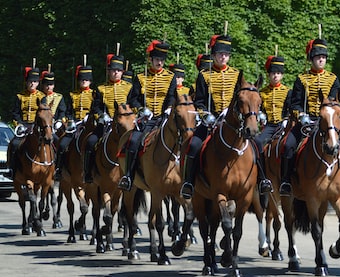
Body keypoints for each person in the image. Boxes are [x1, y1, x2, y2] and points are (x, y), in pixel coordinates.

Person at [180, 34, 273, 200]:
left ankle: (263, 180)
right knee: (193, 145)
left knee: (258, 143)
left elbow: (243, 98)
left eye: (226, 54)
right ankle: (189, 182)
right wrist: (205, 115)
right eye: (220, 54)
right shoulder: (204, 75)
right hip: (211, 119)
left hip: (234, 120)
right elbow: (200, 101)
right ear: (214, 55)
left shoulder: (237, 75)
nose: (223, 57)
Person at [289, 38, 340, 195]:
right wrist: (301, 115)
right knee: (288, 146)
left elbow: (335, 103)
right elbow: (295, 103)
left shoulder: (333, 79)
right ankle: (287, 181)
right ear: (311, 59)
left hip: (328, 122)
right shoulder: (302, 79)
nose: (321, 59)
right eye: (317, 57)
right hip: (307, 121)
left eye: (323, 57)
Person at [118, 40, 177, 191]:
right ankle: (129, 177)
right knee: (132, 142)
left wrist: (169, 108)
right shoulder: (140, 77)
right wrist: (140, 109)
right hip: (146, 120)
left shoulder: (170, 77)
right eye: (157, 59)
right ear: (150, 60)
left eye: (162, 60)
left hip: (164, 118)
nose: (159, 63)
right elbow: (133, 98)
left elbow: (171, 96)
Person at [83, 54, 134, 183]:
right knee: (90, 142)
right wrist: (102, 116)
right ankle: (88, 172)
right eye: (113, 70)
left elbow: (133, 104)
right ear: (108, 72)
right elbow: (96, 107)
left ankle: (134, 174)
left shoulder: (129, 87)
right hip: (106, 123)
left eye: (118, 70)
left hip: (125, 124)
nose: (115, 72)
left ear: (122, 72)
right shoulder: (101, 88)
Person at [254, 55, 292, 196]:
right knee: (257, 142)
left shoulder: (287, 91)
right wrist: (260, 115)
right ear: (269, 75)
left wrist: (287, 119)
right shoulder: (262, 92)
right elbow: (258, 109)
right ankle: (262, 178)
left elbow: (290, 109)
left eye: (278, 73)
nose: (275, 76)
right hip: (269, 126)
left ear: (281, 75)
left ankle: (288, 177)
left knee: (290, 146)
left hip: (283, 125)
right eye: (273, 73)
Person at [54, 64, 94, 181]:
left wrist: (90, 116)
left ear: (90, 81)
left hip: (89, 123)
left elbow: (96, 108)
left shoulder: (94, 94)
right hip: (75, 124)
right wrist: (70, 120)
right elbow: (69, 111)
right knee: (62, 144)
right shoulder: (73, 95)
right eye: (81, 79)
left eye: (86, 80)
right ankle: (59, 169)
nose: (84, 82)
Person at [6, 66, 46, 179]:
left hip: (37, 126)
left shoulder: (42, 97)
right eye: (30, 81)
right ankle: (12, 169)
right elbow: (15, 113)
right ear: (26, 82)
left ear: (38, 83)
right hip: (23, 126)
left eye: (34, 81)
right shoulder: (20, 96)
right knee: (14, 144)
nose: (32, 84)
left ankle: (54, 169)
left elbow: (43, 113)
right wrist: (18, 124)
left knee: (51, 143)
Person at [40, 69, 67, 142]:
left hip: (54, 125)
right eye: (47, 85)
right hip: (41, 125)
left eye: (51, 85)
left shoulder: (58, 97)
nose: (49, 87)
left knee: (58, 141)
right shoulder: (39, 96)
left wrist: (59, 121)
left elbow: (62, 111)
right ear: (43, 85)